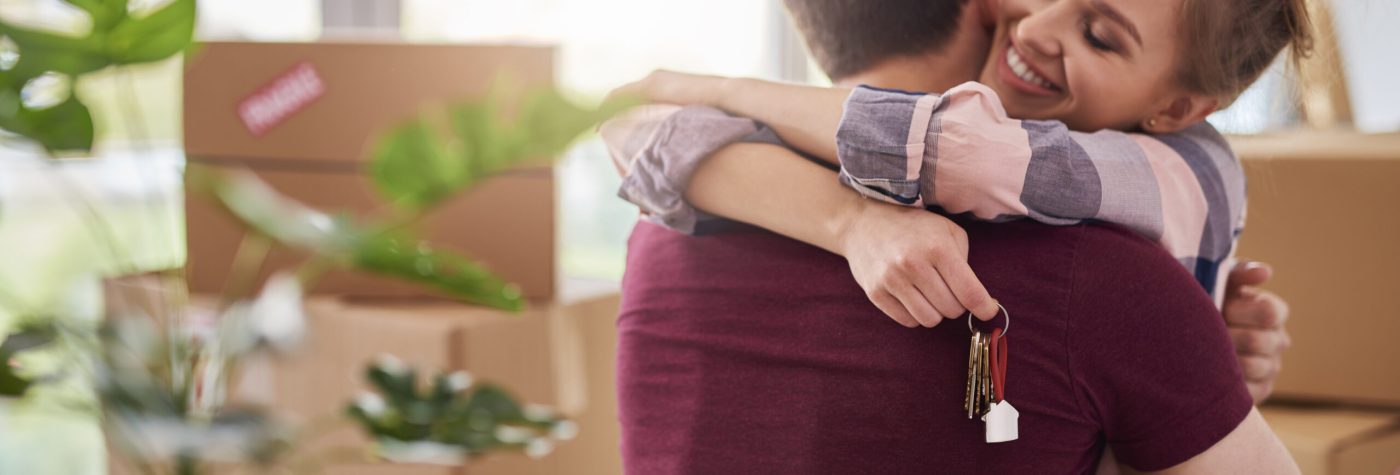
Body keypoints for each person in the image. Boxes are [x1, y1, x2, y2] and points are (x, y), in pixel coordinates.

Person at [611, 0, 1299, 472]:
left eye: (1100, 33)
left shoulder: (663, 226)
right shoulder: (1110, 279)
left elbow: (961, 147)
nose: (1039, 25)